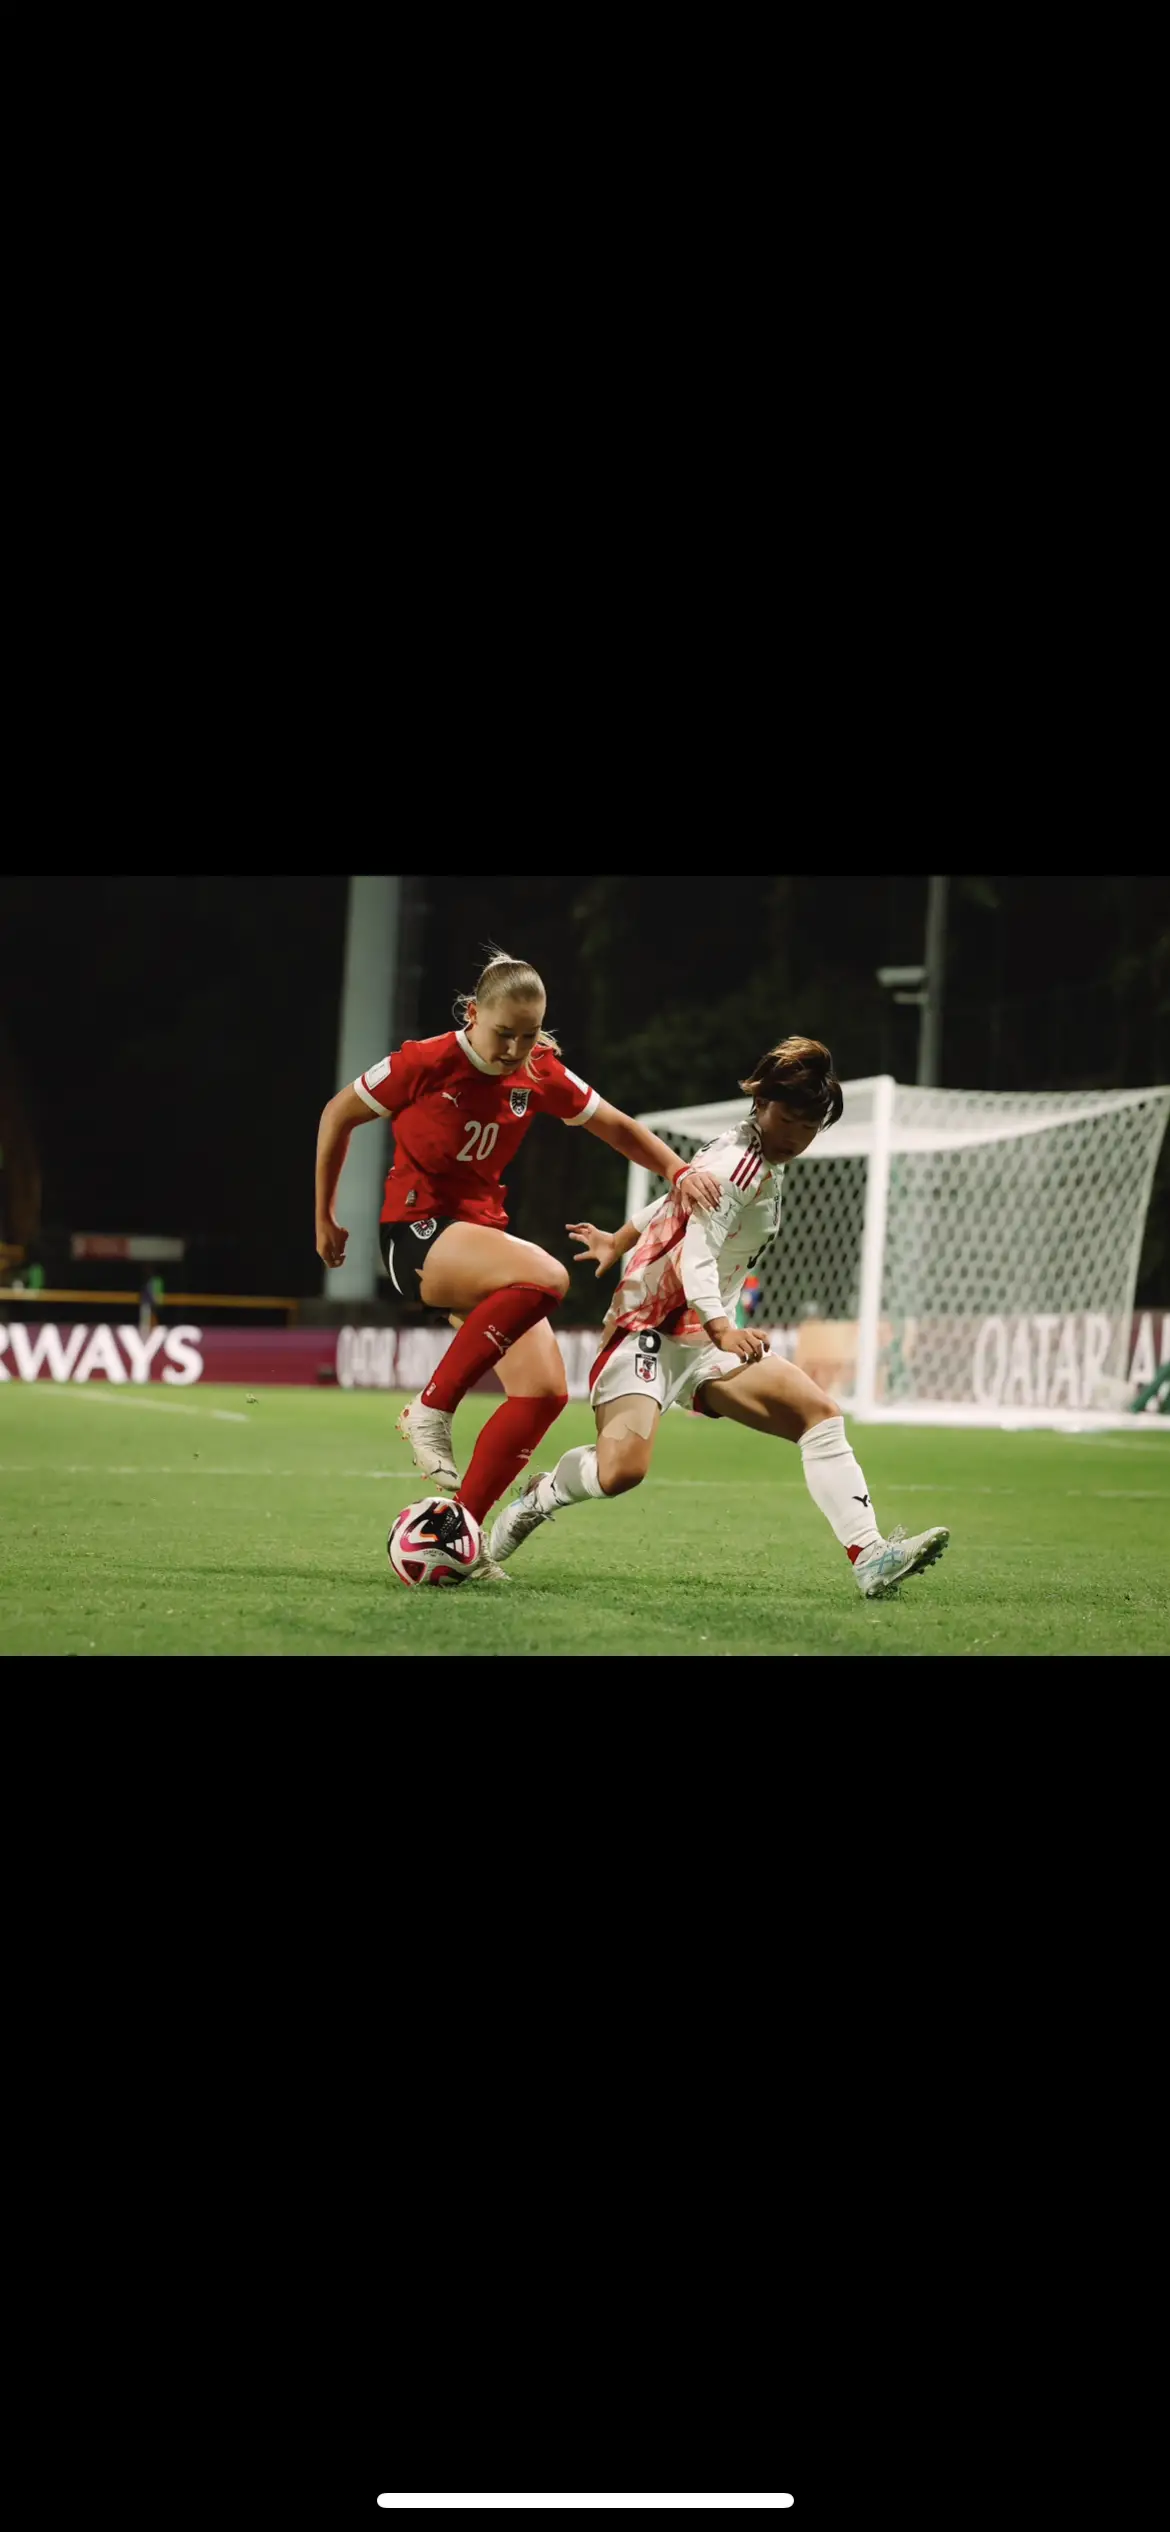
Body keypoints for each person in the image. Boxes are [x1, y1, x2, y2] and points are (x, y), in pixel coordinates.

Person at [487, 1035, 950, 1601]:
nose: (798, 1134)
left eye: (810, 1124)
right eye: (789, 1117)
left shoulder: (753, 1157)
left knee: (818, 1413)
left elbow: (674, 1203)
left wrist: (620, 1237)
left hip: (703, 1336)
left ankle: (870, 1556)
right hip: (650, 1329)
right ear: (762, 1104)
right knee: (621, 1472)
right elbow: (695, 1251)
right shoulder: (740, 1162)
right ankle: (542, 1495)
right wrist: (721, 1327)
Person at [314, 949, 722, 1579]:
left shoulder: (538, 1070)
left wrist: (676, 1167)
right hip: (416, 1237)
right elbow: (337, 1114)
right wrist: (325, 1215)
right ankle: (431, 1406)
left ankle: (461, 1537)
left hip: (480, 1245)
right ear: (473, 1014)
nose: (514, 1049)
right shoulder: (423, 1062)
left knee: (543, 1393)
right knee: (549, 1275)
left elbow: (613, 1125)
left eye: (528, 1035)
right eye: (504, 1033)